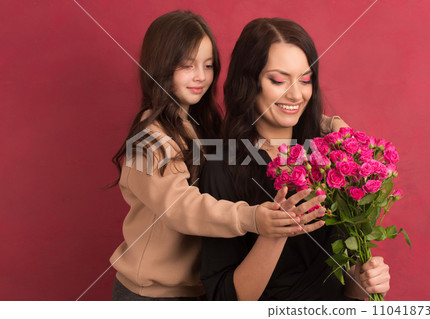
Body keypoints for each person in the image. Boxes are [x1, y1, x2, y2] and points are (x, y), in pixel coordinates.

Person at [108, 11, 337, 301]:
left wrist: (338, 133)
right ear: (160, 68)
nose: (200, 76)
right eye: (187, 66)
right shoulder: (148, 142)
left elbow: (302, 115)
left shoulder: (201, 124)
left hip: (200, 291)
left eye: (208, 65)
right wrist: (251, 218)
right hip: (153, 296)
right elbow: (182, 209)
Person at [199, 17, 390, 301]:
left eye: (305, 80)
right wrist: (274, 232)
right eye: (278, 80)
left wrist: (362, 282)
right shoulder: (224, 165)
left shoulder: (329, 157)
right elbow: (226, 300)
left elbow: (338, 285)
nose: (296, 94)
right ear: (248, 82)